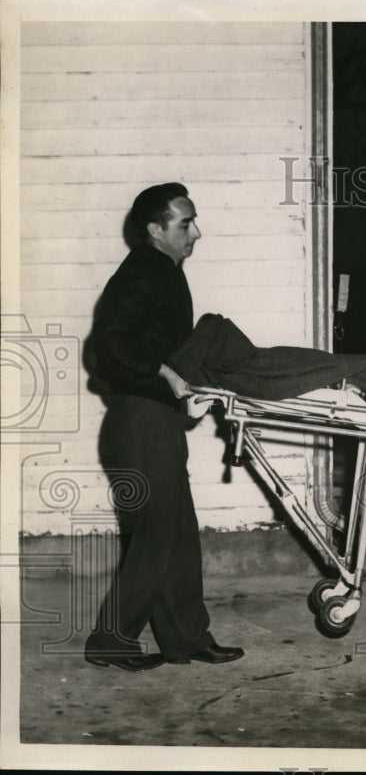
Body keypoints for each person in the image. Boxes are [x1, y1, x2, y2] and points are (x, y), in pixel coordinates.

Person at [83, 183, 244, 671]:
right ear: (155, 230)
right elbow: (110, 346)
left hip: (156, 422)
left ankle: (186, 640)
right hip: (139, 422)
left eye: (193, 221)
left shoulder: (166, 272)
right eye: (184, 224)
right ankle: (110, 640)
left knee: (177, 535)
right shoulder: (142, 274)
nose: (197, 232)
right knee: (155, 537)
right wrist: (168, 375)